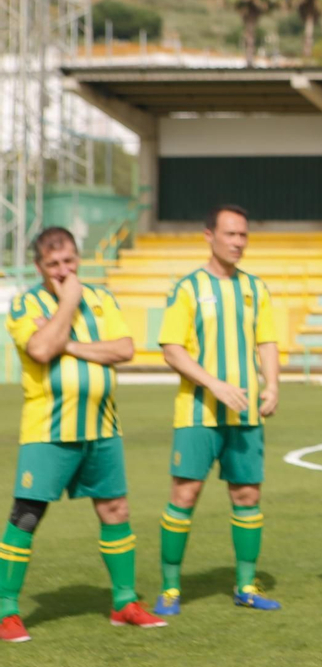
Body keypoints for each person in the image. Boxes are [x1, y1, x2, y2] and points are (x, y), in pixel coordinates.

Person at [1, 228, 166, 642]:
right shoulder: (24, 304)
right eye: (54, 263)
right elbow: (39, 350)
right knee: (26, 516)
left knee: (116, 512)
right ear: (39, 267)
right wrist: (69, 304)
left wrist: (67, 343)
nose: (64, 270)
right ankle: (6, 610)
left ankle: (124, 603)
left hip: (103, 426)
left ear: (79, 259)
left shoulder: (103, 299)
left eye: (70, 260)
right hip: (48, 429)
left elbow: (124, 349)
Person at [155, 204, 283, 615]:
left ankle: (246, 584)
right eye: (230, 234)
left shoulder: (256, 288)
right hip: (198, 412)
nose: (238, 242)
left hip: (244, 414)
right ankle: (171, 588)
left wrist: (273, 385)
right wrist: (214, 384)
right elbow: (171, 349)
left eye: (243, 235)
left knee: (247, 494)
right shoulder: (188, 288)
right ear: (209, 235)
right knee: (185, 494)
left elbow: (266, 342)